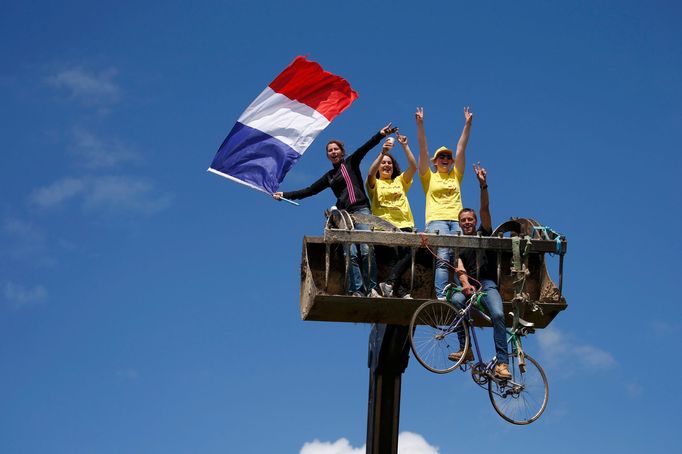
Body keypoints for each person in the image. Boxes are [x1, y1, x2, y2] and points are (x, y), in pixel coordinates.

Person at [273, 123, 398, 297]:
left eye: (335, 149)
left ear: (342, 151)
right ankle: (357, 290)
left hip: (362, 211)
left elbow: (366, 147)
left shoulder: (351, 162)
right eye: (330, 150)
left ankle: (372, 289)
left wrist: (380, 134)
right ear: (328, 156)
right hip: (345, 216)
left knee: (366, 249)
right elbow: (310, 190)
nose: (333, 152)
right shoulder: (330, 177)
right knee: (352, 252)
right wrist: (285, 194)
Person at [449, 162, 511, 380]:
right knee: (455, 300)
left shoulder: (483, 233)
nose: (467, 223)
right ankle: (465, 349)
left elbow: (485, 209)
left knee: (498, 314)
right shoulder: (459, 244)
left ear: (475, 222)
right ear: (459, 223)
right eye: (463, 220)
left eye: (470, 220)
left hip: (487, 284)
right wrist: (465, 284)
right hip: (470, 285)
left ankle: (502, 364)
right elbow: (459, 267)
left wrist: (483, 186)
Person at [416, 106, 474, 299]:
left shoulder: (456, 176)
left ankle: (466, 291)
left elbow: (461, 148)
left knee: (460, 257)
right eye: (441, 156)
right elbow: (423, 150)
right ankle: (441, 295)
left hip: (456, 221)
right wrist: (420, 124)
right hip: (437, 221)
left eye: (448, 157)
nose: (445, 159)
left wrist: (467, 124)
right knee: (443, 255)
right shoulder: (428, 177)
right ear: (435, 161)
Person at [365, 132, 417, 298]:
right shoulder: (375, 183)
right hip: (383, 225)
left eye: (389, 163)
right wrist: (383, 153)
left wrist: (405, 146)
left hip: (404, 224)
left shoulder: (400, 181)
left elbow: (414, 167)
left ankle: (389, 284)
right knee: (394, 257)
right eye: (383, 163)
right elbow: (370, 174)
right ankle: (399, 290)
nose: (386, 165)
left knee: (408, 254)